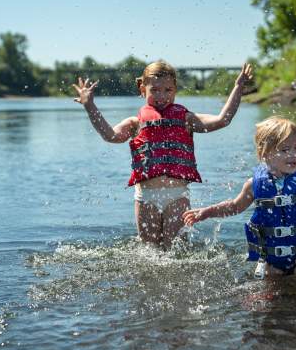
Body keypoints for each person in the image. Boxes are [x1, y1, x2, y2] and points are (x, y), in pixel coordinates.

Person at [72, 60, 253, 249]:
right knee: (151, 254)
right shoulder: (135, 122)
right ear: (143, 89)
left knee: (177, 253)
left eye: (168, 90)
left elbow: (222, 120)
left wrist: (238, 86)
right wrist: (89, 106)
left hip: (177, 196)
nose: (162, 96)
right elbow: (110, 136)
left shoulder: (186, 119)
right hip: (146, 197)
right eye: (155, 90)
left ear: (175, 90)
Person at [182, 116, 296, 281]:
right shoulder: (254, 184)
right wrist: (208, 212)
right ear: (265, 153)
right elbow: (234, 207)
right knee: (267, 302)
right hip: (271, 260)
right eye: (284, 150)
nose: (293, 154)